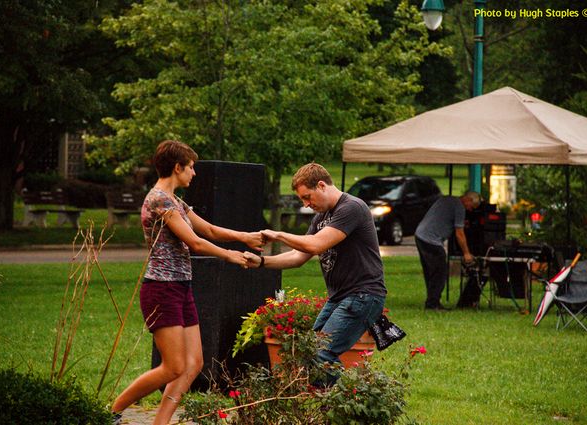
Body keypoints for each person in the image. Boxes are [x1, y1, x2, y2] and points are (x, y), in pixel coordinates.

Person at [111, 140, 263, 425]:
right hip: (161, 288)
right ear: (177, 167)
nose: (194, 173)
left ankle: (160, 423)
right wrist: (230, 256)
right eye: (191, 167)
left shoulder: (176, 202)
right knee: (173, 367)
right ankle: (111, 412)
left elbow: (208, 229)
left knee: (194, 363)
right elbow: (194, 241)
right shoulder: (159, 200)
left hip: (181, 286)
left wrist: (246, 237)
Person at [244, 163, 386, 382]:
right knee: (310, 351)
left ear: (321, 185)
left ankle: (351, 401)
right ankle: (330, 407)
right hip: (340, 297)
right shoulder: (320, 218)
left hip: (362, 295)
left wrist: (279, 235)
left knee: (321, 353)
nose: (306, 204)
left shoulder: (352, 208)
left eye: (307, 197)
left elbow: (315, 245)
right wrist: (262, 262)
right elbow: (298, 256)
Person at [414, 191, 481, 310]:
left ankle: (432, 301)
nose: (470, 210)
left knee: (430, 272)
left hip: (420, 235)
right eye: (472, 207)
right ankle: (433, 304)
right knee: (440, 272)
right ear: (468, 200)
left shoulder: (446, 199)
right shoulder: (460, 207)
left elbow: (442, 217)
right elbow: (459, 233)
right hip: (431, 240)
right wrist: (466, 253)